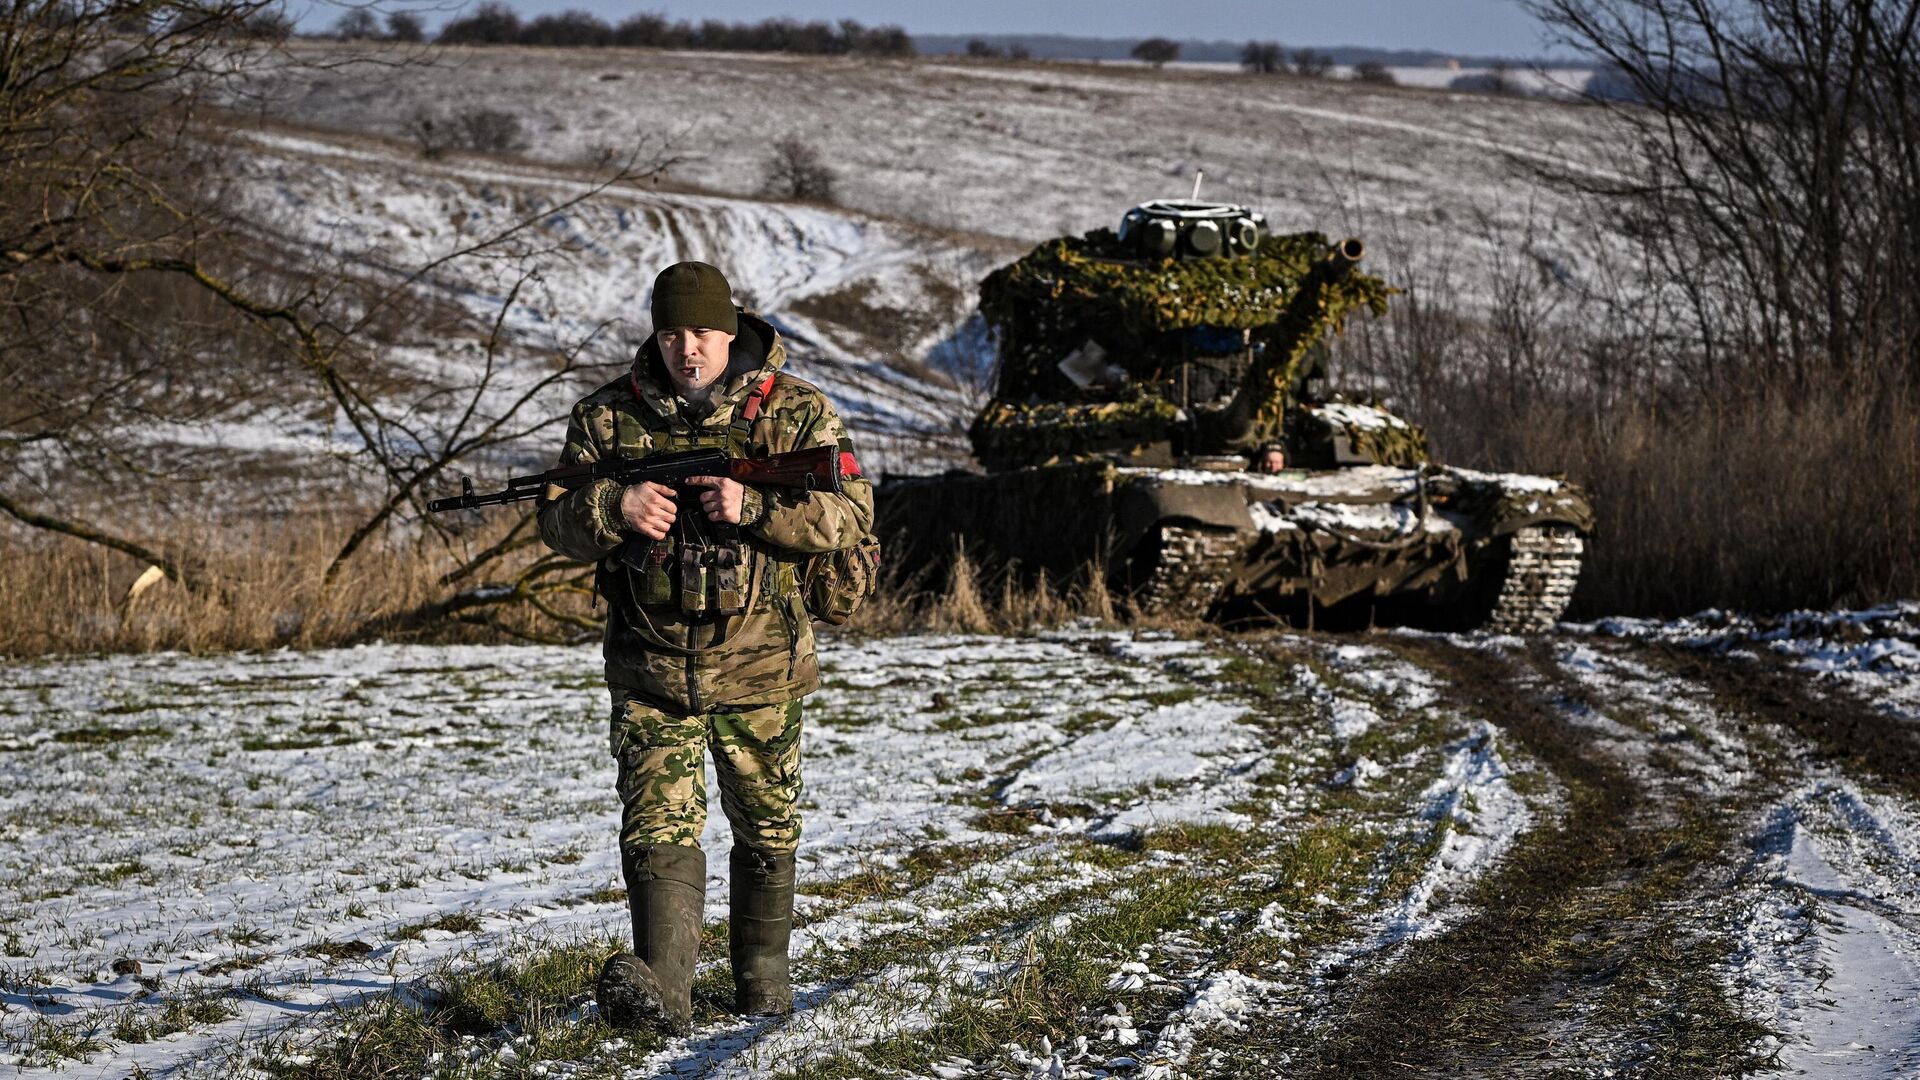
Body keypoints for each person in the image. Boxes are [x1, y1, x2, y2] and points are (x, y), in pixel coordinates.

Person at [536, 261, 873, 1035]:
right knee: (656, 823)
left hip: (762, 665)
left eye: (702, 333)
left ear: (731, 331)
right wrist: (612, 506)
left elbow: (851, 514)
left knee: (766, 824)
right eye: (671, 332)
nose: (688, 348)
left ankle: (764, 984)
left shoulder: (795, 412)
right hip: (650, 667)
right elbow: (554, 524)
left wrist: (753, 506)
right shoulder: (605, 418)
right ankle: (665, 992)